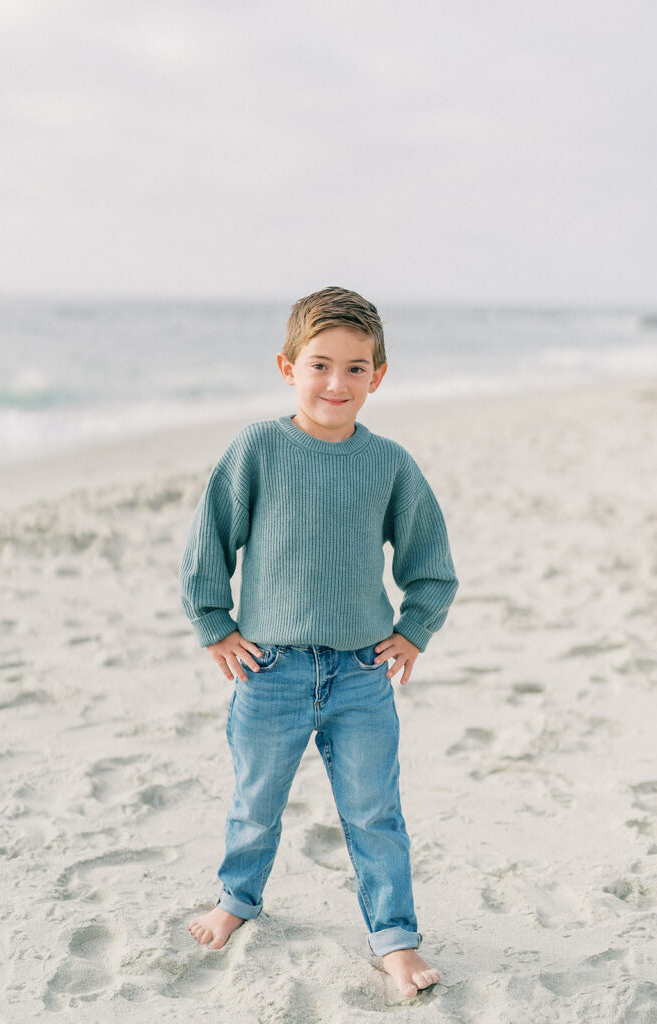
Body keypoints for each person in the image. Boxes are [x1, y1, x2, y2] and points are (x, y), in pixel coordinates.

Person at [179, 286, 458, 998]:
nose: (338, 383)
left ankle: (394, 938)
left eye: (356, 368)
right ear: (287, 367)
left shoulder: (388, 463)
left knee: (374, 811)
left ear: (379, 375)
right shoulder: (258, 449)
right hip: (268, 668)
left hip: (363, 672)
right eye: (321, 365)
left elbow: (430, 562)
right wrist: (216, 623)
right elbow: (208, 540)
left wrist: (412, 631)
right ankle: (238, 900)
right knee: (255, 799)